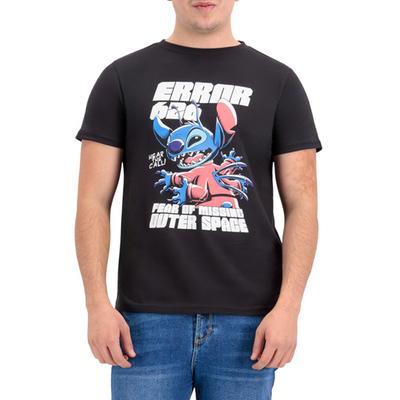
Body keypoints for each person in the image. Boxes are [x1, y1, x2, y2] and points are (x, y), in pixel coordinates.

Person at [74, 1, 322, 399]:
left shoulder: (279, 82)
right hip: (143, 324)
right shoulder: (121, 78)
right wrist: (96, 305)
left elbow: (302, 204)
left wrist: (289, 308)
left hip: (250, 326)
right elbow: (92, 200)